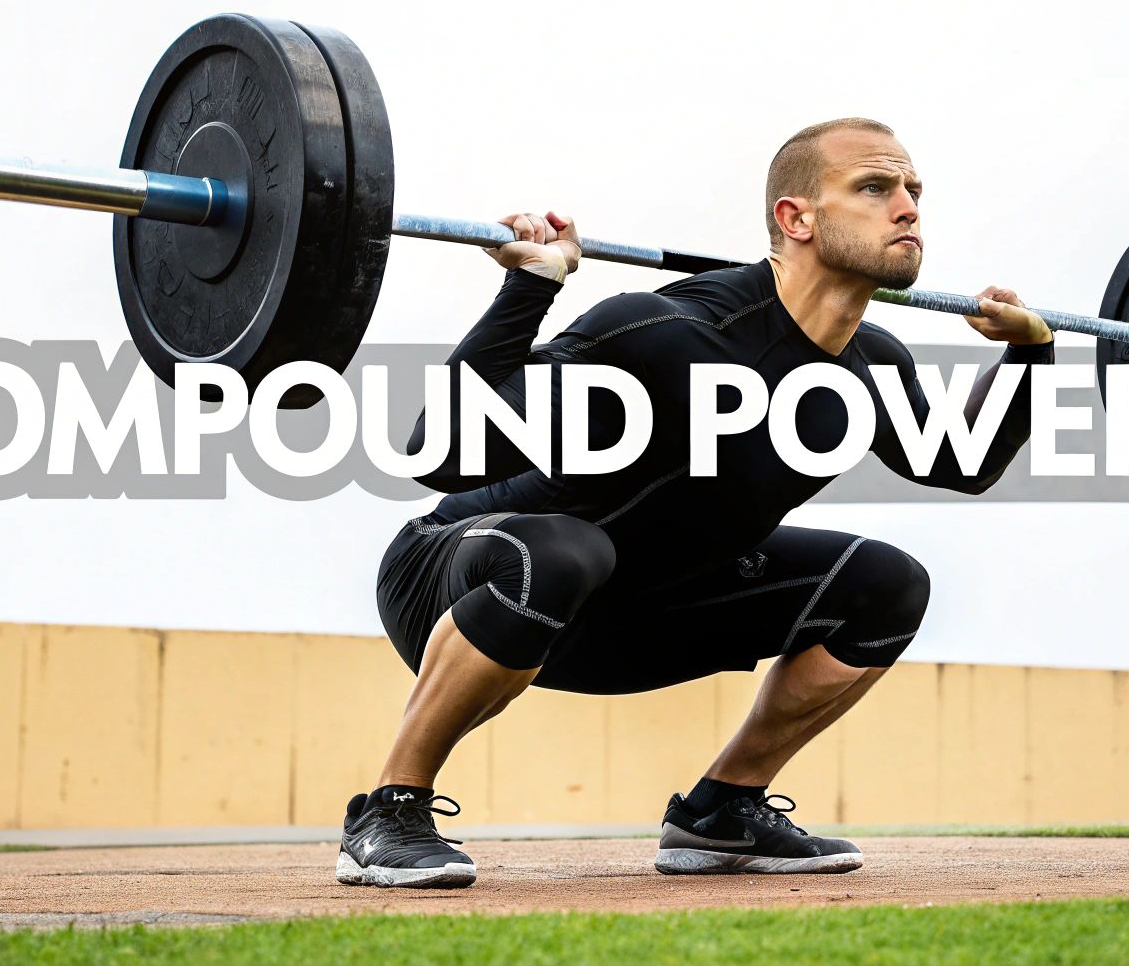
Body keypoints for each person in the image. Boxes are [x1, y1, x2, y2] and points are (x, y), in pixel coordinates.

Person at [335, 118, 1054, 889]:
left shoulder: (872, 366)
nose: (908, 207)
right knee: (568, 550)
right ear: (796, 219)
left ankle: (720, 812)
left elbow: (963, 461)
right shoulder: (663, 331)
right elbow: (439, 453)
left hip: (636, 614)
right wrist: (531, 284)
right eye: (875, 188)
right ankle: (387, 808)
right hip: (465, 579)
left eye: (913, 190)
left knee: (887, 585)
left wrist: (1030, 354)